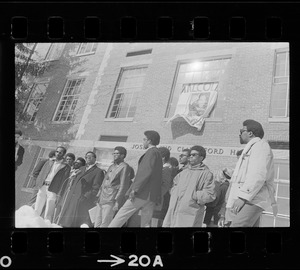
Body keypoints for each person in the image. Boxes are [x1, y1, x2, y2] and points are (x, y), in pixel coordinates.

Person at [218, 119, 275, 227]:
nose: (239, 133)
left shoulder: (260, 146)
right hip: (246, 198)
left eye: (241, 130)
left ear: (250, 133)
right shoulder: (251, 148)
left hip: (251, 199)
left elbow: (258, 174)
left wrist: (242, 198)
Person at [108, 130, 163, 228]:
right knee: (146, 223)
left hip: (142, 193)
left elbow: (145, 173)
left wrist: (134, 190)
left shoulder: (151, 152)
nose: (143, 142)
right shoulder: (158, 153)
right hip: (152, 196)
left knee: (121, 215)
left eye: (144, 139)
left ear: (149, 141)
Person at [162, 145, 216, 227]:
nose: (191, 156)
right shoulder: (183, 172)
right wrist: (174, 193)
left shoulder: (207, 174)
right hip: (173, 211)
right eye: (190, 155)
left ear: (201, 157)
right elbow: (173, 186)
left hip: (190, 213)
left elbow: (210, 194)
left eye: (194, 155)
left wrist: (193, 196)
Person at [94, 146, 131, 228]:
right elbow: (104, 182)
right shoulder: (111, 166)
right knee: (97, 222)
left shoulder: (125, 167)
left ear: (123, 155)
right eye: (114, 153)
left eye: (117, 153)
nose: (114, 155)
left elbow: (123, 185)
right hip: (101, 197)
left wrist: (117, 201)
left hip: (111, 198)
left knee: (105, 223)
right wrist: (98, 195)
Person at [34, 146, 71, 222]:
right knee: (37, 208)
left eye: (60, 152)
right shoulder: (49, 161)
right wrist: (38, 182)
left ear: (63, 154)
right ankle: (34, 224)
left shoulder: (66, 166)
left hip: (53, 189)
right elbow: (40, 173)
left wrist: (59, 193)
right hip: (43, 186)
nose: (58, 153)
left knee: (48, 213)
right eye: (57, 151)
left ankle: (46, 226)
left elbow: (64, 181)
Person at [54, 157, 86, 226]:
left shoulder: (80, 172)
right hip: (63, 192)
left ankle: (61, 224)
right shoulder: (70, 170)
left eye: (79, 163)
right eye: (76, 162)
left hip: (70, 194)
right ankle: (55, 222)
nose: (77, 164)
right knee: (59, 207)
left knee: (66, 209)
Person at [153, 147, 174, 227]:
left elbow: (165, 185)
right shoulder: (162, 168)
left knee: (155, 222)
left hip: (159, 200)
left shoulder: (166, 169)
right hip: (156, 199)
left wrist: (156, 197)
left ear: (163, 157)